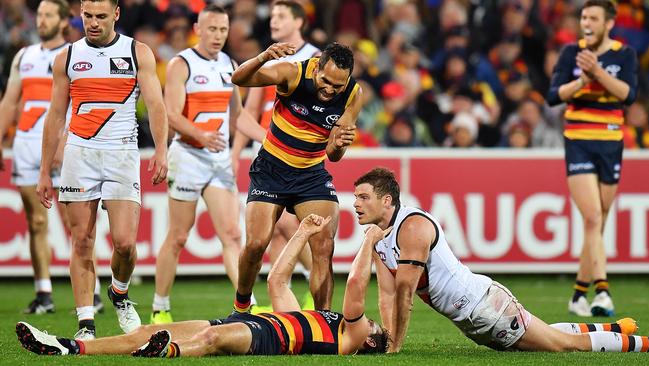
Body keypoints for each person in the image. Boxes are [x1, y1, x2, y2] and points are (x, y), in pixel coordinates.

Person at [354, 167, 646, 353]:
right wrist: (389, 337)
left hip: (486, 309)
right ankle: (617, 329)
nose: (356, 203)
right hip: (475, 319)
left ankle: (642, 345)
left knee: (564, 346)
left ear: (387, 201)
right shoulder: (381, 235)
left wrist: (395, 346)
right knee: (546, 335)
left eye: (364, 197)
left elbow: (405, 293)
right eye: (356, 197)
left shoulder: (413, 227)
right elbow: (387, 295)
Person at [16, 214, 390, 357]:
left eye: (372, 325)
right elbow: (278, 279)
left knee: (210, 342)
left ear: (369, 339)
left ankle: (167, 353)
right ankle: (71, 348)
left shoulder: (350, 340)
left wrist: (369, 241)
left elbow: (357, 282)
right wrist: (303, 233)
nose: (367, 320)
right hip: (263, 322)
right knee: (150, 329)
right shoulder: (320, 321)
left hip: (268, 338)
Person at [36, 0, 168, 339]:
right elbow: (54, 115)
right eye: (88, 16)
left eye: (101, 17)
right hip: (80, 154)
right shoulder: (66, 57)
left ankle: (120, 293)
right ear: (80, 14)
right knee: (82, 241)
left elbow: (156, 105)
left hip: (122, 153)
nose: (93, 23)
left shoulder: (138, 52)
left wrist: (162, 151)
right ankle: (85, 324)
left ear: (116, 15)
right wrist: (44, 171)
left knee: (124, 244)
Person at [150, 4, 264, 325]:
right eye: (212, 29)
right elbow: (171, 113)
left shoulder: (229, 64)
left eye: (223, 30)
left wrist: (269, 138)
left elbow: (238, 116)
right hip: (187, 157)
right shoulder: (180, 64)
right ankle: (160, 306)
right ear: (198, 29)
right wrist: (200, 134)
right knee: (178, 236)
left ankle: (248, 305)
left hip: (217, 161)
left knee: (231, 234)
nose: (218, 36)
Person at [229, 41, 362, 312]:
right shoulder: (292, 73)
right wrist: (263, 56)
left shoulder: (353, 95)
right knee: (256, 244)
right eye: (325, 81)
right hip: (271, 169)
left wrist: (338, 144)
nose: (330, 89)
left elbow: (333, 155)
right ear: (317, 67)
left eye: (338, 85)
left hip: (311, 173)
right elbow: (238, 78)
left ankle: (324, 321)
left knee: (324, 247)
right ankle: (242, 306)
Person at [0, 0, 105, 316]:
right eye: (40, 14)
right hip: (26, 145)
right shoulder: (24, 56)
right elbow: (9, 101)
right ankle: (43, 292)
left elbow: (79, 104)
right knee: (36, 222)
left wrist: (65, 141)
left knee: (77, 225)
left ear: (63, 22)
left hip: (65, 145)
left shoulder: (76, 56)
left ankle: (94, 291)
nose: (41, 20)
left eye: (48, 15)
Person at [546, 0, 638, 317]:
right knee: (593, 219)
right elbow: (553, 94)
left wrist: (597, 72)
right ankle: (603, 292)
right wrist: (582, 81)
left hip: (612, 141)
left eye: (593, 18)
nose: (587, 22)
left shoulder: (623, 55)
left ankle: (578, 295)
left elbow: (629, 94)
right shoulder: (571, 53)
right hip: (579, 141)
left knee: (597, 222)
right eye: (584, 17)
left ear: (608, 23)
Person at [231, 0, 321, 306]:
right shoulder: (267, 61)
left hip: (302, 157)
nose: (274, 21)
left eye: (281, 16)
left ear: (299, 22)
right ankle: (279, 294)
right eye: (272, 16)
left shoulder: (317, 61)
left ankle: (313, 287)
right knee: (274, 232)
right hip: (270, 156)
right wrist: (236, 153)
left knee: (284, 225)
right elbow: (246, 115)